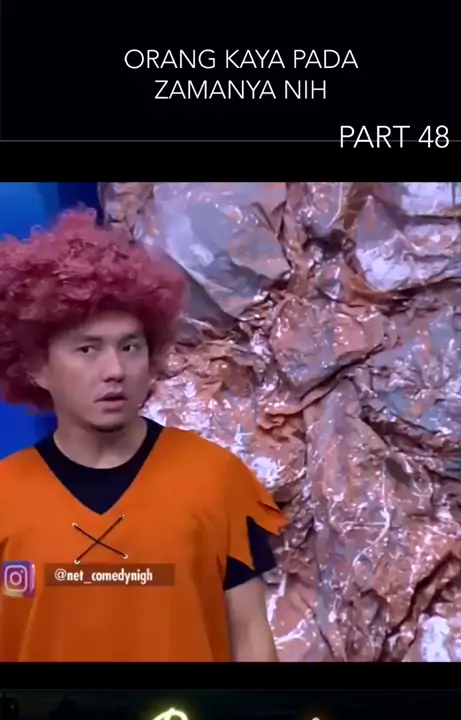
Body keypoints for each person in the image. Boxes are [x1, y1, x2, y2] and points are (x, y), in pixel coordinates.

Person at [0, 210, 287, 663]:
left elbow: (251, 638)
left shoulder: (217, 479)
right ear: (37, 367)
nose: (115, 370)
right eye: (87, 349)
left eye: (130, 347)